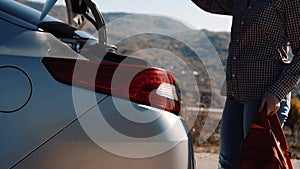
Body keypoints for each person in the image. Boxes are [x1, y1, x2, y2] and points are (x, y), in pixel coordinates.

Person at [191, 0, 300, 168]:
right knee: (227, 161)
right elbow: (209, 3)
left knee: (256, 163)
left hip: (264, 97)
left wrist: (278, 92)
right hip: (235, 93)